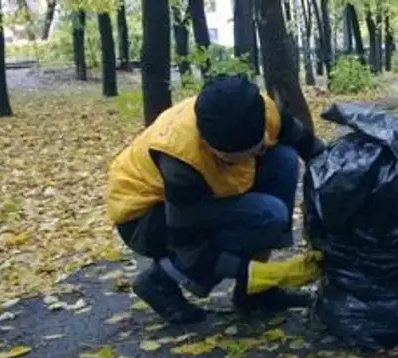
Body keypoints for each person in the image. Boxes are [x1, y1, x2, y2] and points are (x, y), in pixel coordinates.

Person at [106, 74, 324, 325]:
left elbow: (311, 148)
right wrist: (266, 274)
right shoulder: (181, 162)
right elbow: (191, 250)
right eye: (237, 158)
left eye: (259, 146)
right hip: (146, 218)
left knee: (284, 159)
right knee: (267, 215)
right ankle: (160, 281)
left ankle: (254, 296)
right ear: (211, 148)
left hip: (204, 196)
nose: (259, 154)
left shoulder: (257, 109)